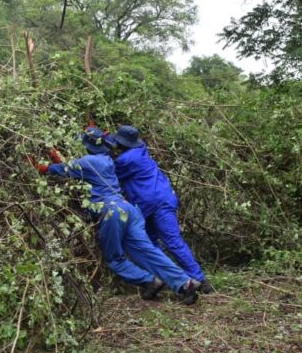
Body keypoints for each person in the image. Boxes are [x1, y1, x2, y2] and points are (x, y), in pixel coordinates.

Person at [33, 126, 201, 305]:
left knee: (114, 258)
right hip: (129, 210)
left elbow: (55, 169)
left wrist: (34, 164)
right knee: (147, 251)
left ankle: (149, 281)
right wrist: (55, 154)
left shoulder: (87, 162)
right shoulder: (106, 160)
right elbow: (71, 167)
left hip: (112, 212)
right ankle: (186, 284)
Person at [108, 125, 212, 293]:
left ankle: (198, 280)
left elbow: (105, 171)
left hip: (154, 203)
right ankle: (177, 279)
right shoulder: (141, 148)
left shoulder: (125, 161)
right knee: (153, 243)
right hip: (158, 200)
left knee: (170, 242)